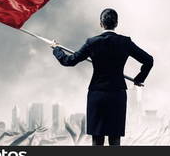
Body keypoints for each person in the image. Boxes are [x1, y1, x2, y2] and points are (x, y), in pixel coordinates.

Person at [51, 8, 154, 146]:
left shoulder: (92, 42)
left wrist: (57, 49)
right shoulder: (125, 42)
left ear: (101, 23)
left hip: (97, 95)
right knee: (115, 140)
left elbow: (68, 61)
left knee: (97, 141)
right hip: (117, 94)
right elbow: (149, 60)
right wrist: (139, 79)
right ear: (116, 23)